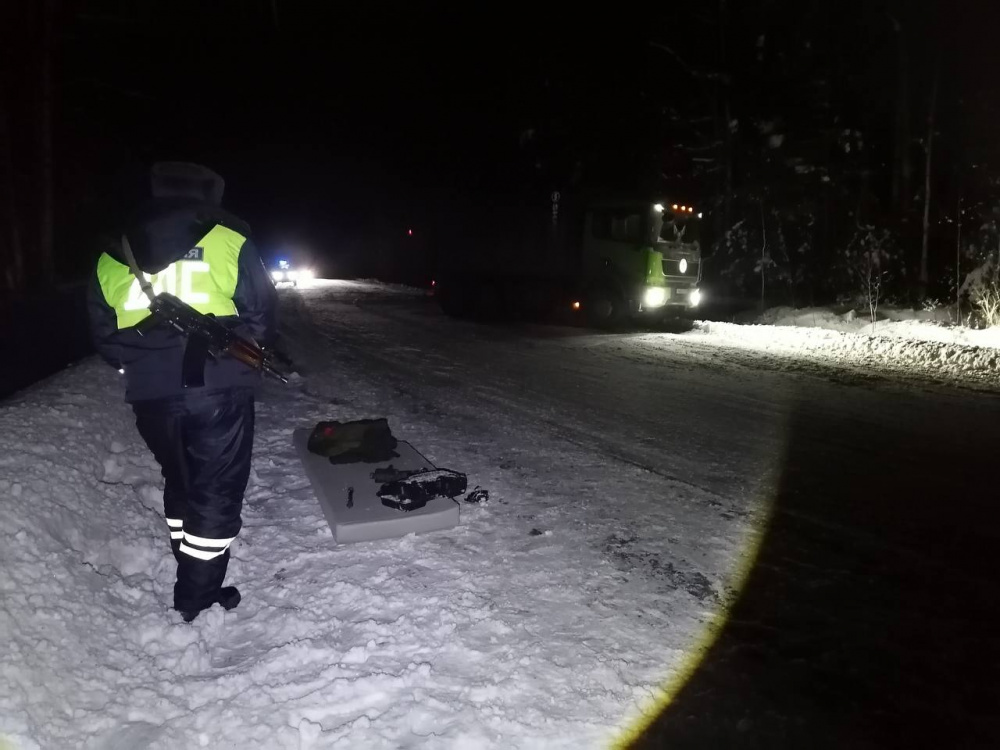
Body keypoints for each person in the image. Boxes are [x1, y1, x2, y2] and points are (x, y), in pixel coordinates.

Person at [87, 162, 277, 622]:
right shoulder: (228, 237)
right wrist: (236, 357)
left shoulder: (114, 250)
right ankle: (195, 596)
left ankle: (189, 562)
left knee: (182, 478)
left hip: (149, 396)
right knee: (215, 492)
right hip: (218, 391)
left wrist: (144, 363)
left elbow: (103, 334)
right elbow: (261, 310)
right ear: (209, 193)